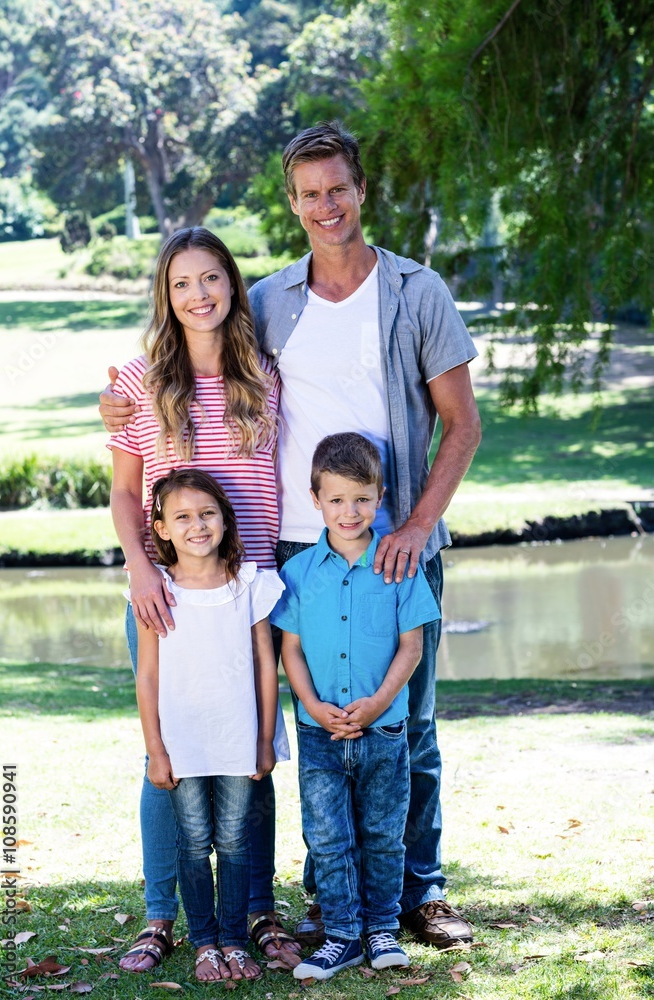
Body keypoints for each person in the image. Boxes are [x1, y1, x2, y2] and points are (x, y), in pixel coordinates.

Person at [100, 120, 482, 948]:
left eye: (337, 188)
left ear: (360, 189)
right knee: (267, 733)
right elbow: (146, 447)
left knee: (395, 725)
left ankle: (415, 892)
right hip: (278, 559)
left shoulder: (409, 296)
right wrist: (121, 422)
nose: (325, 205)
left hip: (384, 547)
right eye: (308, 194)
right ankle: (267, 905)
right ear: (292, 202)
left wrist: (417, 524)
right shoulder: (270, 302)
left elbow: (462, 425)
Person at [106, 226, 299, 971]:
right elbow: (126, 494)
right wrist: (140, 569)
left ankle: (257, 911)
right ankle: (161, 916)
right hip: (167, 596)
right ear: (166, 294)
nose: (199, 295)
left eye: (211, 278)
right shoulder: (137, 382)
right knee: (169, 754)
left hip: (247, 592)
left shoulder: (265, 374)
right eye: (182, 283)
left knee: (255, 750)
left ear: (232, 284)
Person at [270, 433, 439, 980]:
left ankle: (383, 929)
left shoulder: (400, 567)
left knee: (384, 832)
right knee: (327, 836)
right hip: (320, 731)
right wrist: (314, 707)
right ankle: (342, 934)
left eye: (362, 499)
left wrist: (380, 703)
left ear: (381, 497)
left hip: (384, 731)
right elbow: (289, 649)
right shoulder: (297, 574)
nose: (350, 511)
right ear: (315, 498)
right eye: (337, 499)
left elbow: (412, 646)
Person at [136, 468, 285, 982]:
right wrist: (155, 749)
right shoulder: (155, 592)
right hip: (182, 740)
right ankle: (204, 942)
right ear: (160, 527)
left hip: (238, 736)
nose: (197, 525)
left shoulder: (250, 583)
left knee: (237, 841)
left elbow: (267, 663)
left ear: (224, 519)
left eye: (207, 513)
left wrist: (265, 739)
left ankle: (235, 940)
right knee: (194, 842)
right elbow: (148, 676)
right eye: (182, 516)